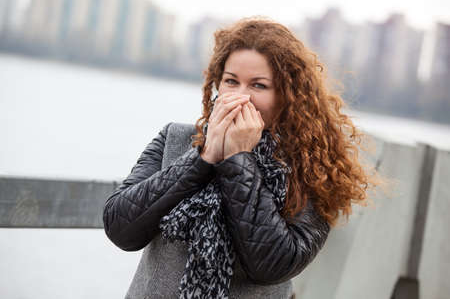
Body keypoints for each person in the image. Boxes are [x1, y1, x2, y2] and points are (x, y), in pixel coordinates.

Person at [103, 17, 382, 299]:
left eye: (258, 86)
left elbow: (274, 265)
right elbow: (120, 228)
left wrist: (238, 159)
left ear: (287, 95)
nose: (241, 97)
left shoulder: (313, 169)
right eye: (231, 81)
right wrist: (204, 157)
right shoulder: (174, 139)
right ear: (217, 84)